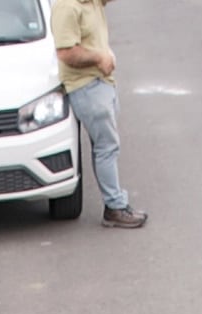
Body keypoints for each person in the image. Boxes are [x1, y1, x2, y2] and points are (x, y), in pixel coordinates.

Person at [51, 0, 147, 227]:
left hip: (101, 84)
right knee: (106, 146)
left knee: (104, 146)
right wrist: (99, 58)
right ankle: (115, 207)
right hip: (86, 87)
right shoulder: (67, 6)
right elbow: (66, 52)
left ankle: (115, 204)